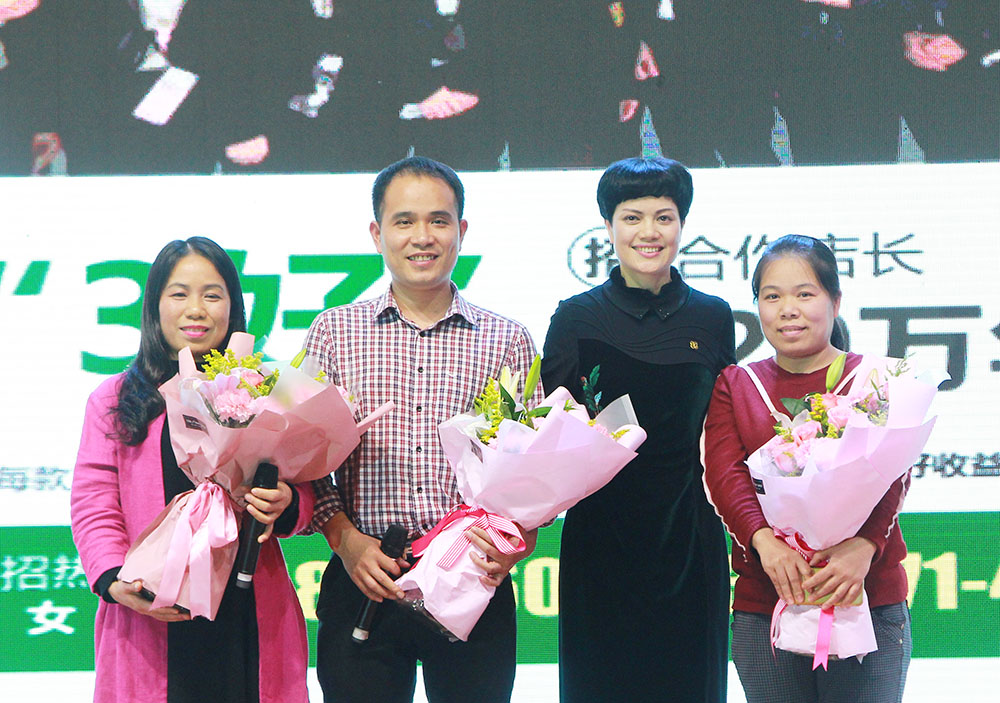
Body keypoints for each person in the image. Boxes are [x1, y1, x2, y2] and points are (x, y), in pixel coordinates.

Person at [304, 156, 539, 703]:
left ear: (462, 230)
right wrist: (345, 541)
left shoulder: (506, 339)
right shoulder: (335, 332)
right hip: (364, 575)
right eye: (404, 221)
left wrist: (518, 543)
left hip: (471, 577)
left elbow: (534, 470)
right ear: (377, 233)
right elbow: (302, 461)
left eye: (438, 220)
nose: (422, 237)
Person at [71, 236, 313, 703]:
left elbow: (309, 488)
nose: (196, 310)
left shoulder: (267, 390)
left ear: (233, 306)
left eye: (212, 295)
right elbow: (93, 502)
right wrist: (114, 579)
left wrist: (287, 503)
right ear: (155, 306)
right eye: (179, 294)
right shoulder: (115, 400)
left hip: (246, 609)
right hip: (150, 607)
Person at [541, 156, 735, 702]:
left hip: (689, 537)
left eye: (663, 217)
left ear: (681, 224)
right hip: (601, 540)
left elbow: (724, 428)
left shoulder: (713, 315)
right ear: (608, 226)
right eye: (632, 217)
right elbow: (552, 430)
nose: (649, 232)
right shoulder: (576, 317)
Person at [702, 235, 911, 703]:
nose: (788, 310)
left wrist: (863, 547)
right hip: (769, 599)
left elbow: (894, 475)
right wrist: (765, 544)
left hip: (864, 595)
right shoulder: (737, 384)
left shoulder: (875, 380)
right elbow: (725, 476)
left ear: (835, 302)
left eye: (804, 294)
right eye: (772, 297)